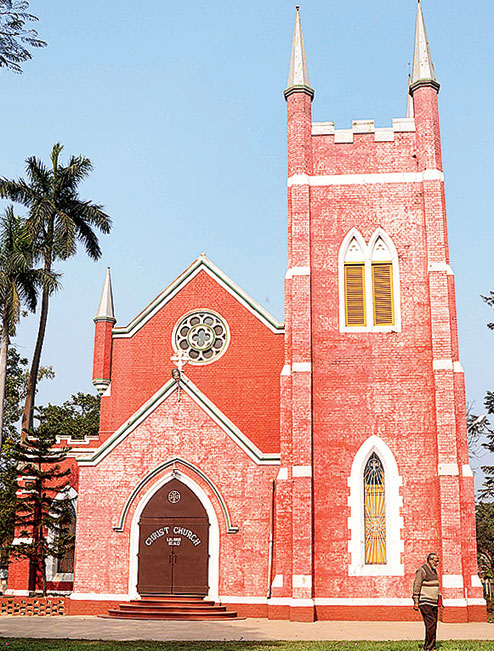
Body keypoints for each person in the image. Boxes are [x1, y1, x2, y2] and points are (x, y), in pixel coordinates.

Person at [413, 552, 440, 651]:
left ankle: (431, 646)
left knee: (433, 624)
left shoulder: (434, 571)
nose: (437, 563)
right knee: (431, 623)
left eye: (438, 561)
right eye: (436, 561)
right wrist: (416, 601)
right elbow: (417, 586)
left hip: (433, 602)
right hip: (425, 601)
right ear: (429, 560)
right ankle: (428, 647)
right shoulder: (422, 570)